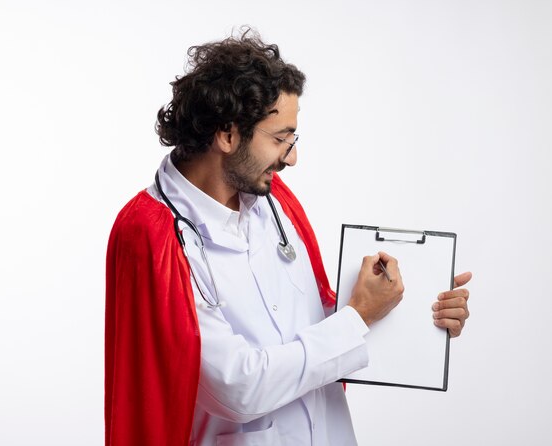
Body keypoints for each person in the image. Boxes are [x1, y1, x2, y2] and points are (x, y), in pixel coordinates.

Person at [105, 29, 471, 446]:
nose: (292, 157)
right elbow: (237, 388)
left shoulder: (275, 201)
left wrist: (425, 312)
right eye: (280, 139)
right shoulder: (152, 234)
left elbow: (322, 325)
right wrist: (358, 316)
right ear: (227, 135)